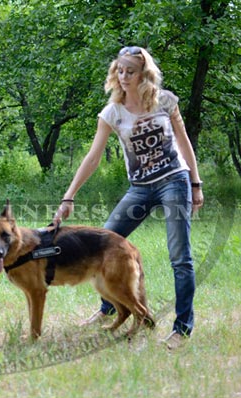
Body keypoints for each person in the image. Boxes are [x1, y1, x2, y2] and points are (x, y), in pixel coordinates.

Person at [53, 46, 204, 350]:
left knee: (180, 256)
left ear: (143, 74)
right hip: (140, 187)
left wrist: (195, 183)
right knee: (104, 243)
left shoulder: (166, 101)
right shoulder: (112, 112)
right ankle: (109, 309)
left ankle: (182, 327)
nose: (123, 77)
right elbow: (93, 158)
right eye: (119, 71)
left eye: (130, 71)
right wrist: (69, 196)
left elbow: (184, 142)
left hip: (174, 180)